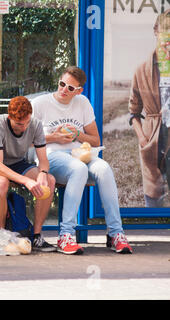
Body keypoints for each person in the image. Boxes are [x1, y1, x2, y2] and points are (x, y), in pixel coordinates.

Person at [31, 66, 133, 254]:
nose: (64, 90)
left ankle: (115, 234)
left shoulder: (82, 103)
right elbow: (25, 140)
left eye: (70, 88)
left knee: (103, 168)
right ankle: (66, 235)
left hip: (80, 155)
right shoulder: (40, 104)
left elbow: (95, 140)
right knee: (78, 169)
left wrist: (78, 134)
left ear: (79, 91)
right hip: (51, 157)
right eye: (62, 84)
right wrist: (54, 138)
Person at [0, 96, 57, 252]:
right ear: (9, 117)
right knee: (2, 183)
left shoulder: (35, 124)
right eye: (19, 124)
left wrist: (43, 173)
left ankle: (37, 236)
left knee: (50, 180)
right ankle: (1, 238)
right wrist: (26, 181)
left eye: (27, 122)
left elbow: (44, 160)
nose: (24, 127)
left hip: (17, 162)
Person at [129, 9, 170, 207]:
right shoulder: (141, 70)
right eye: (166, 30)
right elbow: (133, 112)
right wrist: (143, 138)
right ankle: (153, 230)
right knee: (153, 199)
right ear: (156, 30)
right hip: (152, 139)